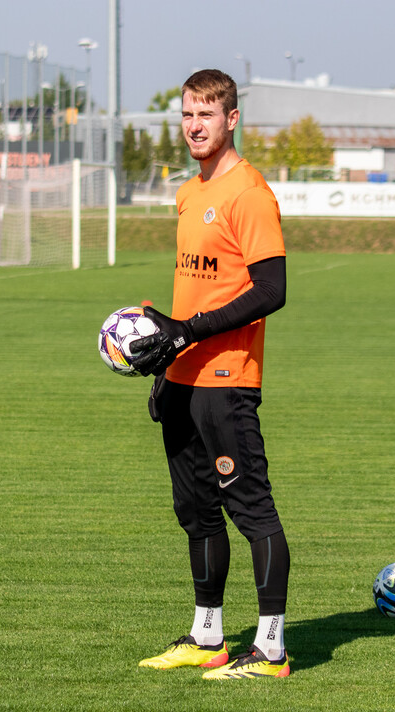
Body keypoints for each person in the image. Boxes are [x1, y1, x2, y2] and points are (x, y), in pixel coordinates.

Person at [130, 69, 291, 680]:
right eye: (187, 115)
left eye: (206, 114)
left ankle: (272, 649)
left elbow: (271, 290)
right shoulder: (189, 192)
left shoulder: (249, 193)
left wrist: (189, 332)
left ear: (231, 120)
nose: (195, 126)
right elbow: (190, 291)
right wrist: (168, 361)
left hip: (228, 380)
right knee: (195, 511)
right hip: (185, 379)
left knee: (251, 512)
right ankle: (208, 637)